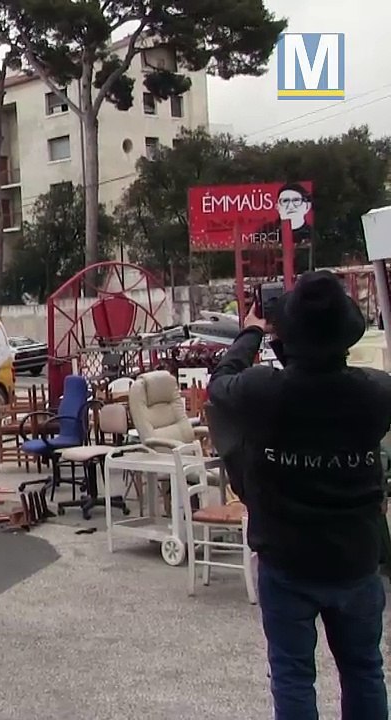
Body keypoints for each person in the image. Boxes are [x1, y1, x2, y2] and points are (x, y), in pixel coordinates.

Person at [207, 271, 389, 720]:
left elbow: (221, 381)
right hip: (356, 556)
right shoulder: (377, 394)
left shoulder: (263, 392)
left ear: (287, 335)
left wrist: (251, 329)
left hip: (287, 558)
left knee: (292, 675)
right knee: (364, 669)